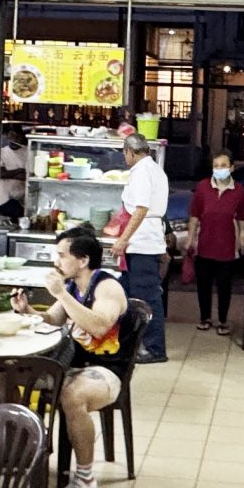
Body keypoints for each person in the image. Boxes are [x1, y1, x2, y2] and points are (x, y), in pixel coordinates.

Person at [15, 223, 125, 488]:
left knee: (72, 395)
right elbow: (53, 319)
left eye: (62, 255)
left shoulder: (107, 286)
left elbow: (99, 326)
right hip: (69, 364)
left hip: (106, 371)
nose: (57, 261)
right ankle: (12, 452)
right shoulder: (75, 285)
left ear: (83, 260)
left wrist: (61, 294)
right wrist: (28, 310)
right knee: (4, 373)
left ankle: (86, 480)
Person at [110, 126, 170, 364]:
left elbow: (141, 208)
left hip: (142, 242)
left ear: (130, 152)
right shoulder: (154, 169)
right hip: (144, 239)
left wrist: (123, 239)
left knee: (147, 298)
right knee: (124, 294)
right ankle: (127, 343)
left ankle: (155, 349)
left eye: (124, 153)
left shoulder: (142, 172)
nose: (125, 158)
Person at [189, 150, 244, 335]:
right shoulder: (202, 187)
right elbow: (194, 215)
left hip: (227, 246)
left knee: (224, 286)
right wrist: (190, 239)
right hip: (204, 244)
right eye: (216, 166)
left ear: (231, 168)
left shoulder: (238, 190)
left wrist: (242, 237)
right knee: (203, 284)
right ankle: (205, 318)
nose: (219, 169)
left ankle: (223, 321)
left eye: (223, 165)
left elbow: (241, 217)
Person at [0, 125, 29, 224]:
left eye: (17, 137)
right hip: (4, 199)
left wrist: (12, 173)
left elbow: (27, 175)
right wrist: (19, 171)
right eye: (12, 136)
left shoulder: (28, 151)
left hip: (22, 200)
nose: (14, 139)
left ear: (21, 137)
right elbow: (0, 173)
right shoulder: (2, 152)